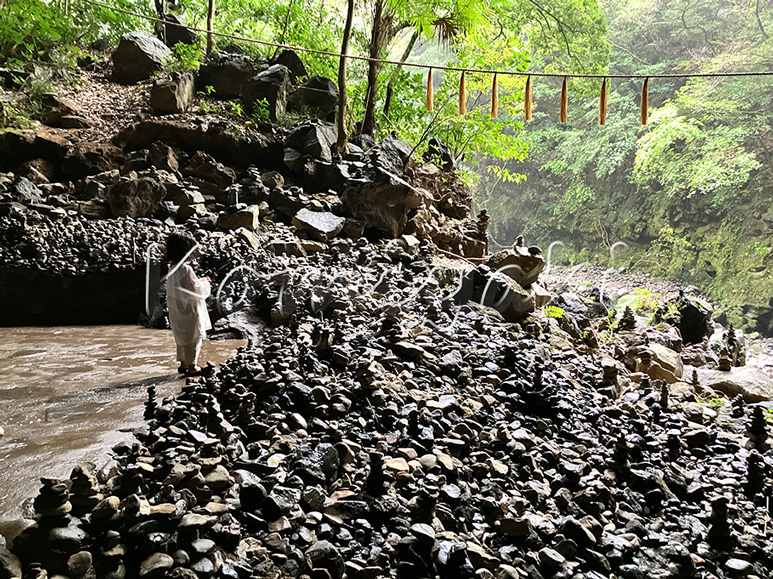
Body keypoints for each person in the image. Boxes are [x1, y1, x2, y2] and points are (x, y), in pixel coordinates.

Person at [165, 231, 212, 376]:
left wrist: (198, 283)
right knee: (194, 337)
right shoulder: (185, 269)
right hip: (190, 309)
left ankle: (184, 363)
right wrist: (205, 284)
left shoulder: (171, 268)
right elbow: (196, 291)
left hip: (176, 309)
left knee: (181, 337)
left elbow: (183, 287)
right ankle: (193, 366)